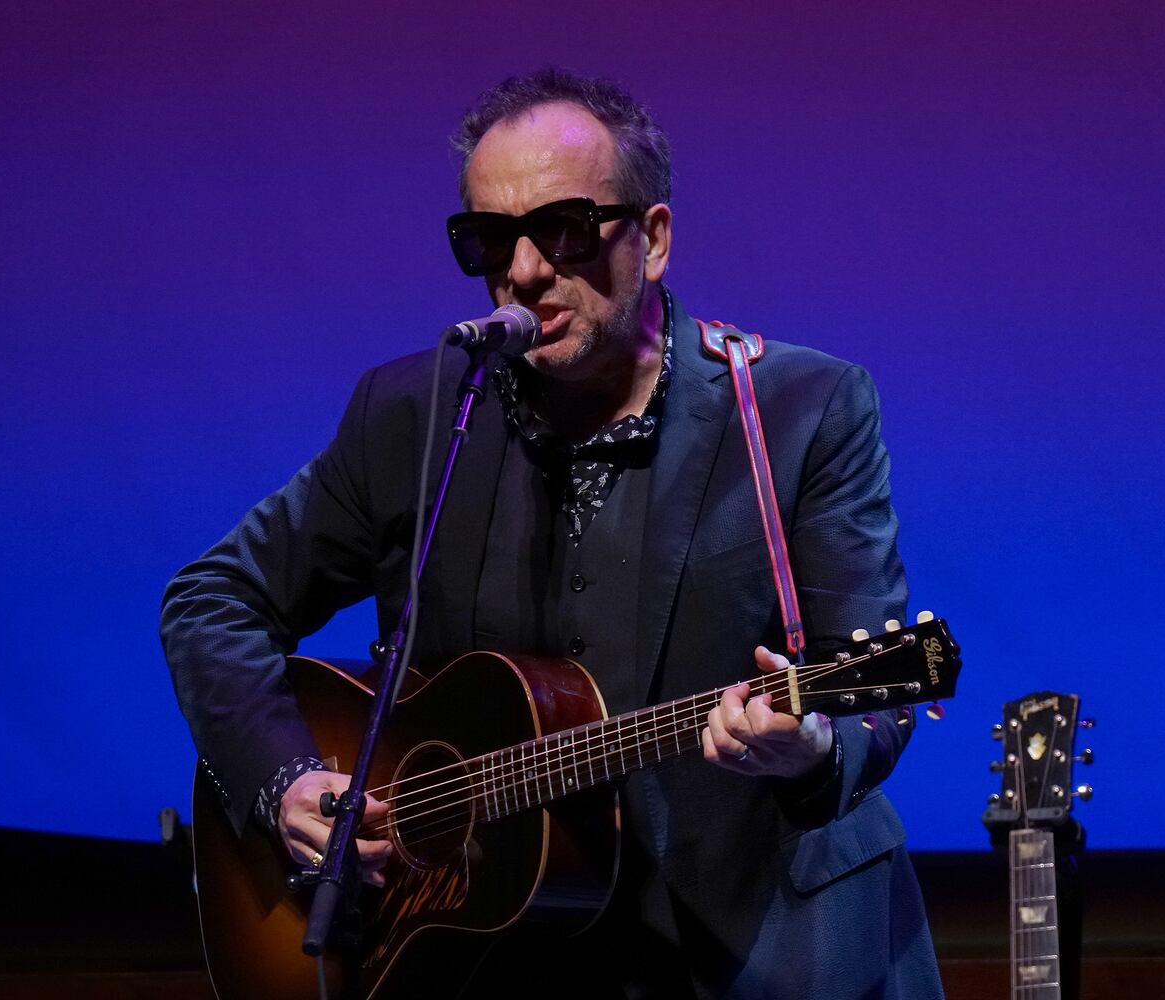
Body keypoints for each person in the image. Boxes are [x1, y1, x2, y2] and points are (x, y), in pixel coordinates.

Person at [162, 67, 945, 999]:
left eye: (564, 229)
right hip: (496, 954)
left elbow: (870, 699)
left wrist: (811, 748)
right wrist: (286, 780)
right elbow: (213, 600)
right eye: (489, 239)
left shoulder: (802, 409)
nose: (526, 270)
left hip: (768, 947)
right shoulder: (416, 413)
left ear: (653, 238)